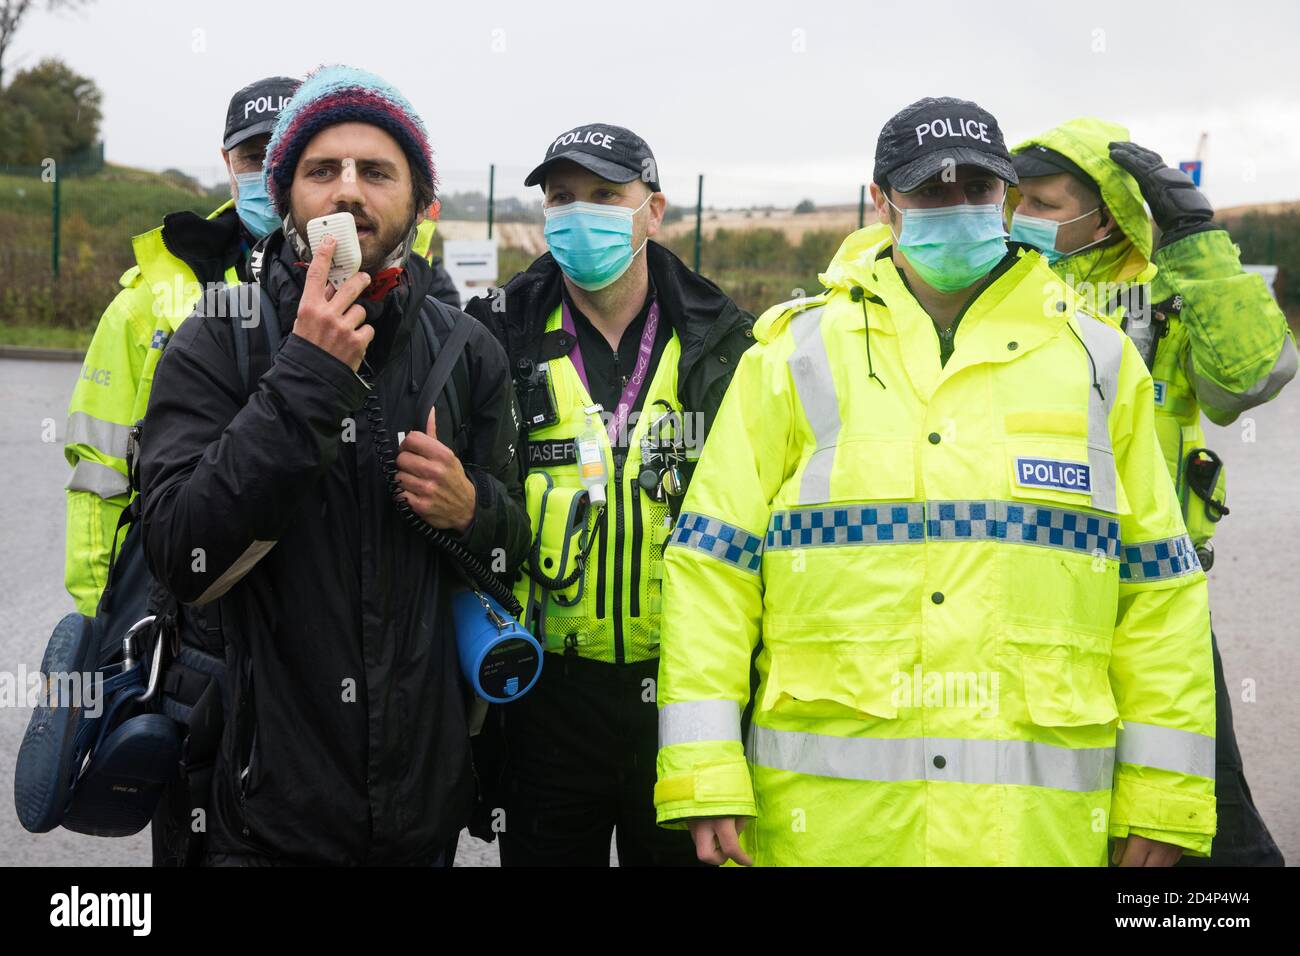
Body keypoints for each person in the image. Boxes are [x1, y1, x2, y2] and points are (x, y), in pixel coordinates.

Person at [653, 97, 1217, 866]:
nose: (956, 209)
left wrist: (1162, 797)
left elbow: (1157, 591)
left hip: (1033, 837)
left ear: (1007, 200)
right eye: (930, 192)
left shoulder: (1099, 362)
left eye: (977, 191)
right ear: (882, 203)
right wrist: (704, 769)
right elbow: (712, 572)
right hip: (836, 831)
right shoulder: (789, 360)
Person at [138, 65, 529, 866]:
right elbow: (182, 551)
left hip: (420, 810)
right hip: (259, 811)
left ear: (422, 203)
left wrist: (473, 509)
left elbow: (508, 554)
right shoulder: (220, 339)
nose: (347, 192)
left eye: (377, 171)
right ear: (284, 199)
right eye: (321, 170)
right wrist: (307, 379)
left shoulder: (469, 352)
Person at [1009, 118, 1297, 865]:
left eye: (1044, 202)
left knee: (1207, 822)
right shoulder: (1000, 281)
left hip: (1152, 589)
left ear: (1103, 210)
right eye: (1017, 200)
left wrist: (1195, 243)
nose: (1022, 219)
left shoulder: (1168, 286)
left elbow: (1251, 378)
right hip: (1028, 588)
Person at [465, 123, 754, 866]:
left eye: (605, 196)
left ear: (654, 211)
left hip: (681, 696)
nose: (579, 213)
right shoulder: (494, 334)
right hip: (545, 694)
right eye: (563, 198)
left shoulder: (727, 343)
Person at [63, 75, 298, 617]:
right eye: (251, 156)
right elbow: (100, 477)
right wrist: (98, 620)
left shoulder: (373, 296)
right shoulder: (144, 305)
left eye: (285, 152)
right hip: (182, 608)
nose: (267, 171)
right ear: (226, 162)